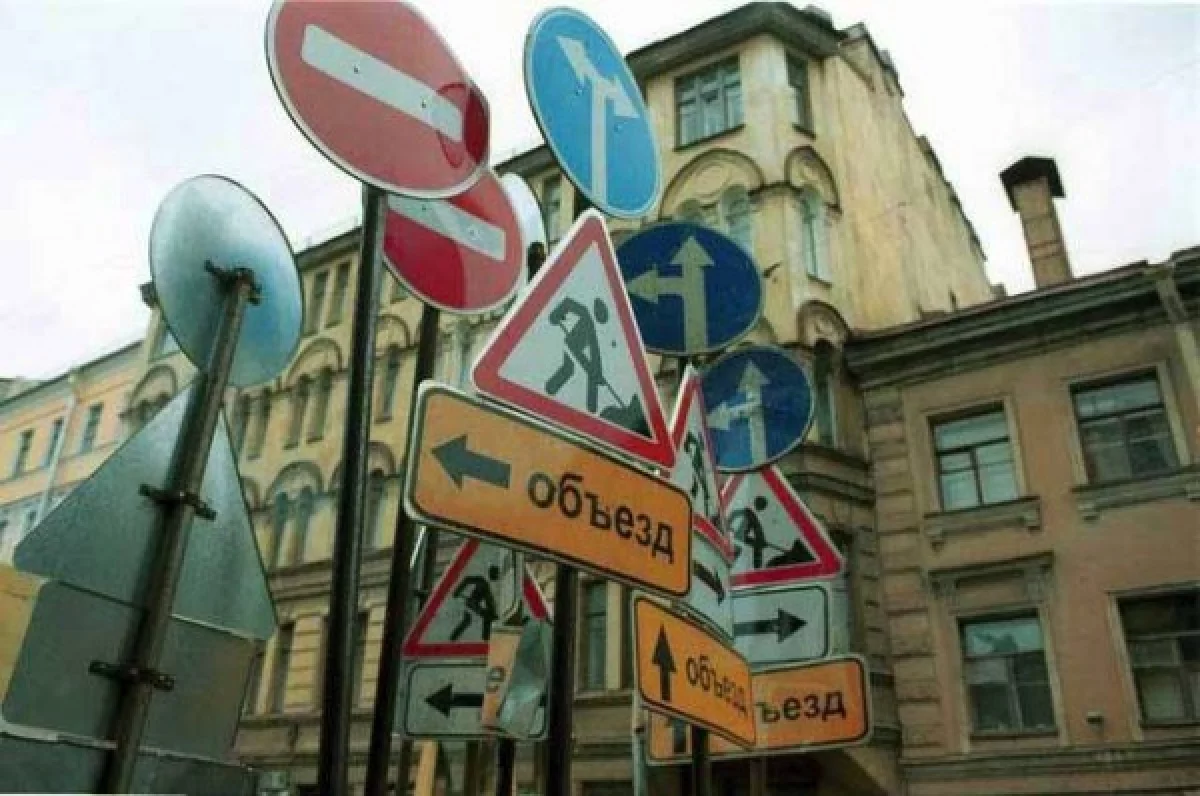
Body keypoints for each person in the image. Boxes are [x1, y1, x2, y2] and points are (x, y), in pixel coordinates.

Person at [450, 565, 500, 641]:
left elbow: (490, 601)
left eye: (498, 574)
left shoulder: (488, 584)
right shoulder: (481, 580)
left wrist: (493, 612)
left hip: (474, 605)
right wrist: (457, 591)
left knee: (486, 617)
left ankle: (485, 640)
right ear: (492, 573)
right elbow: (467, 579)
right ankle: (453, 639)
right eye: (496, 574)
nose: (498, 576)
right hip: (472, 604)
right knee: (468, 621)